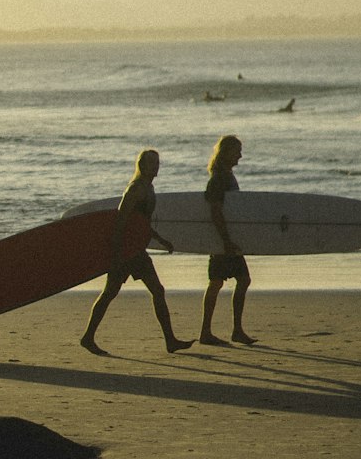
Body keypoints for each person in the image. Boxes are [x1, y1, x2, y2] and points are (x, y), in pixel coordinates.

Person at [80, 149, 193, 356]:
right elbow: (120, 221)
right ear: (142, 166)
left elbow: (140, 223)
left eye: (158, 162)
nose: (156, 166)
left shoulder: (148, 188)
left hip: (136, 251)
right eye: (152, 163)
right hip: (126, 251)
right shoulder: (135, 189)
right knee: (110, 293)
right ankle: (88, 337)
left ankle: (170, 340)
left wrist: (159, 239)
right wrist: (115, 254)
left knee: (156, 291)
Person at [199, 134, 256, 346]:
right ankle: (211, 332)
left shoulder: (226, 175)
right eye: (237, 151)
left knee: (228, 281)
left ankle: (232, 330)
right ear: (226, 152)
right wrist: (225, 241)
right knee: (221, 282)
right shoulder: (218, 179)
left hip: (226, 240)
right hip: (223, 241)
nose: (240, 155)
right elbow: (215, 211)